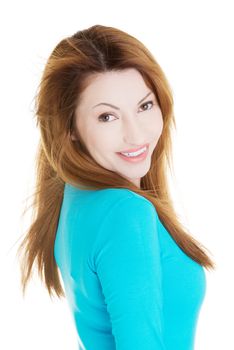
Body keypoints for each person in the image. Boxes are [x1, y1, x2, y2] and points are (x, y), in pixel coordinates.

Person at [17, 24, 216, 349]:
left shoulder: (74, 198)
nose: (136, 135)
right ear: (70, 129)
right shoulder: (126, 212)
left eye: (145, 106)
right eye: (107, 117)